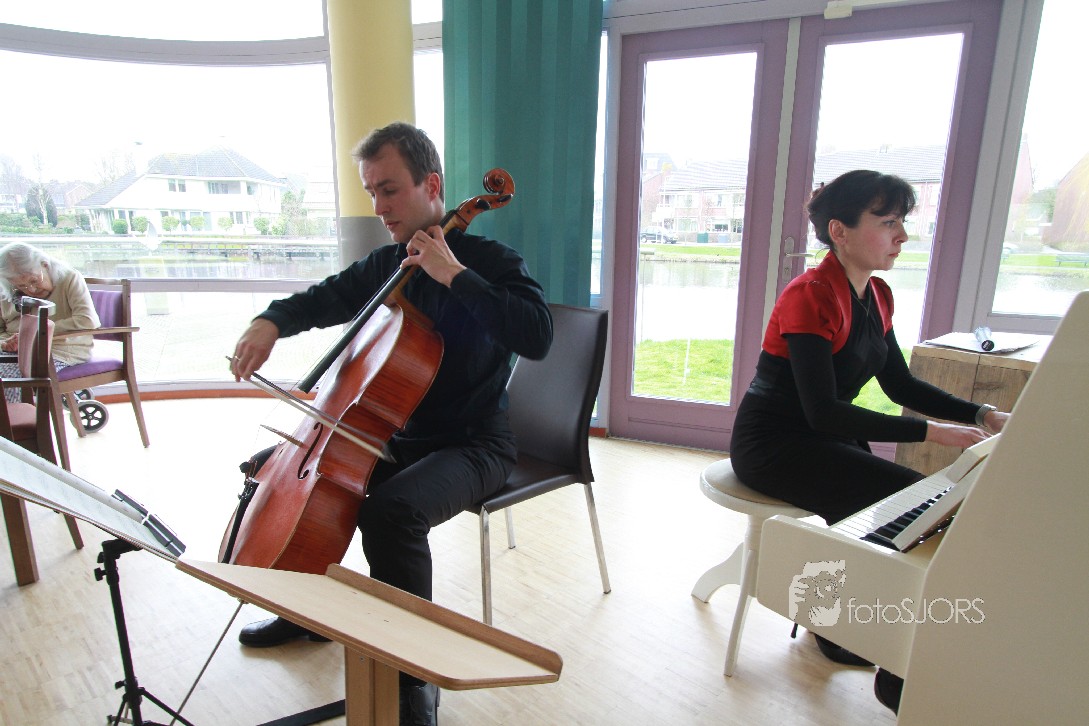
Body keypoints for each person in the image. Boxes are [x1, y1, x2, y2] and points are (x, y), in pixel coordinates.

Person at [229, 122, 553, 725]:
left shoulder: (492, 261)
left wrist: (453, 274)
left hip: (476, 443)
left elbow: (536, 336)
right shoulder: (388, 264)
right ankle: (306, 611)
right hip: (398, 436)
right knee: (292, 475)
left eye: (390, 190)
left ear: (431, 185)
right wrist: (268, 322)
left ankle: (412, 678)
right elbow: (322, 299)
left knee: (390, 512)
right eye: (371, 192)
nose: (379, 207)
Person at [728, 170, 1010, 713]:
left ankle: (858, 633)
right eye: (887, 223)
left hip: (822, 437)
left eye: (901, 222)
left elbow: (900, 385)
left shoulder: (877, 295)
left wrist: (983, 414)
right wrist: (933, 431)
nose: (901, 236)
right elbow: (823, 410)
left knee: (923, 508)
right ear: (840, 230)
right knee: (917, 506)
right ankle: (880, 656)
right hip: (774, 442)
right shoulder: (809, 295)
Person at [0, 242, 100, 402]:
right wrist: (5, 343)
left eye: (34, 280)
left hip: (60, 350)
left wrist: (34, 333)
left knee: (11, 380)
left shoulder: (69, 278)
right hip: (13, 351)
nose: (30, 290)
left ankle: (17, 417)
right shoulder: (7, 289)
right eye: (21, 285)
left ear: (45, 265)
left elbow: (87, 320)